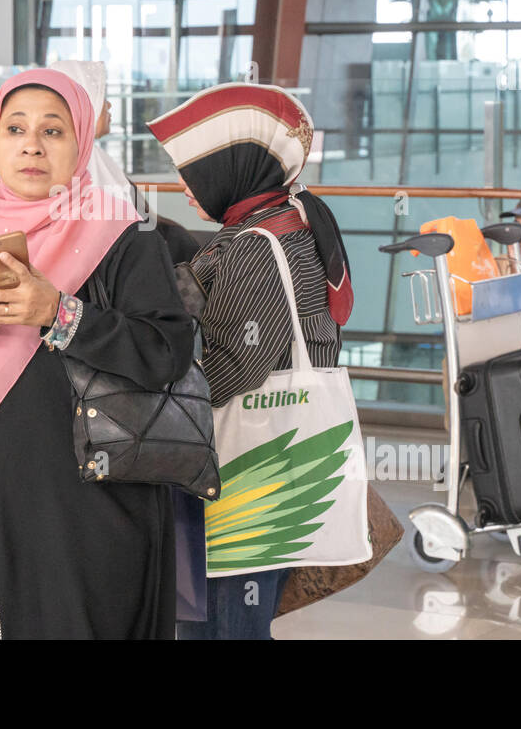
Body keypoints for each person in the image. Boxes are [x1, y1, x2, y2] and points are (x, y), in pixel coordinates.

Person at [0, 68, 193, 639]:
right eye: (16, 128)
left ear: (81, 144)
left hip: (86, 502)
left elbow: (164, 350)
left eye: (53, 130)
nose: (31, 144)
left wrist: (60, 313)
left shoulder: (123, 235)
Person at [147, 82, 353, 640]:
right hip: (281, 459)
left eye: (192, 172)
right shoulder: (293, 221)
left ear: (230, 169)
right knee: (236, 617)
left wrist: (161, 396)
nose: (184, 188)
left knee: (222, 622)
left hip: (248, 468)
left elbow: (240, 364)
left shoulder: (253, 246)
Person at [52, 59, 202, 265]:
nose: (109, 105)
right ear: (85, 105)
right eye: (102, 97)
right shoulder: (78, 167)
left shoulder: (97, 159)